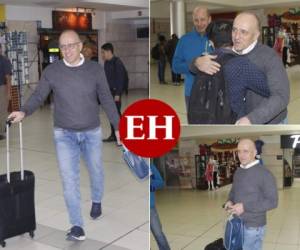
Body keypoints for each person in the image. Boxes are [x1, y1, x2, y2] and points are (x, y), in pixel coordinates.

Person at [8, 30, 121, 241]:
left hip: (91, 131)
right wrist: (24, 111)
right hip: (64, 134)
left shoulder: (95, 69)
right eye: (63, 46)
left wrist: (118, 126)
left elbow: (106, 98)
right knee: (69, 180)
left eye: (71, 45)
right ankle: (77, 225)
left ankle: (97, 200)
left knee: (96, 171)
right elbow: (39, 95)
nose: (67, 50)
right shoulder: (52, 71)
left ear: (80, 46)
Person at [194, 12, 290, 124]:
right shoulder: (227, 53)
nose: (236, 37)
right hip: (238, 122)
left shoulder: (269, 57)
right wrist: (196, 62)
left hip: (270, 122)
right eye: (234, 30)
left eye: (244, 32)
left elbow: (281, 96)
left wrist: (252, 119)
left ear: (256, 35)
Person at [224, 138, 278, 250]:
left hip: (254, 227)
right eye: (239, 151)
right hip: (237, 222)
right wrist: (230, 200)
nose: (241, 155)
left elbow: (273, 202)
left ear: (254, 153)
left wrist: (245, 207)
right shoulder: (238, 172)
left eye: (245, 151)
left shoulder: (264, 174)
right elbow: (233, 191)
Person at [172, 6, 213, 111]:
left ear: (209, 19)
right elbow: (175, 66)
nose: (199, 24)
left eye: (203, 19)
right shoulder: (184, 40)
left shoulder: (217, 38)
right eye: (196, 20)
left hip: (214, 93)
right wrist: (194, 64)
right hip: (191, 93)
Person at [101, 42, 128, 143]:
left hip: (115, 93)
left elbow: (120, 79)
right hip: (109, 93)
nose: (102, 55)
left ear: (108, 52)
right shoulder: (107, 63)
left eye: (103, 52)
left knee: (116, 115)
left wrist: (118, 94)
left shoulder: (117, 62)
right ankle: (114, 135)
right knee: (112, 115)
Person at [150, 164, 171, 250]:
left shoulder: (150, 166)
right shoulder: (131, 163)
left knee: (158, 234)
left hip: (150, 208)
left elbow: (160, 181)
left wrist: (151, 185)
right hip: (136, 208)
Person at [0, 44, 12, 140]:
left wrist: (8, 92)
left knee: (2, 110)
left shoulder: (5, 61)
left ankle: (1, 132)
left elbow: (8, 78)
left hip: (2, 88)